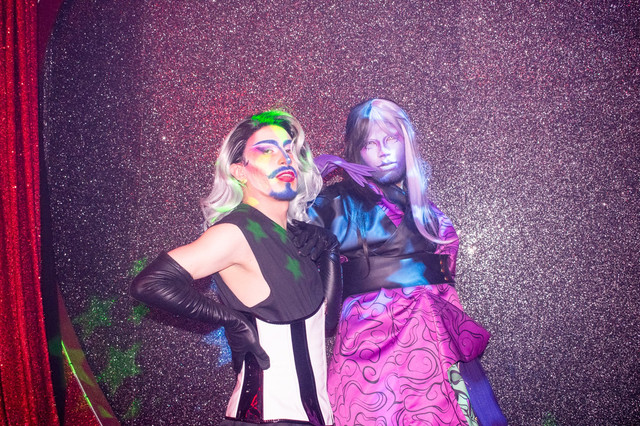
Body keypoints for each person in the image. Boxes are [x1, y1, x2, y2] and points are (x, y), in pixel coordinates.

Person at [130, 110, 340, 426]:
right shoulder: (235, 232)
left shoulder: (298, 239)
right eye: (267, 150)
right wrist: (231, 321)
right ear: (240, 171)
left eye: (289, 150)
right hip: (263, 419)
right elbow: (149, 283)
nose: (284, 158)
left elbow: (327, 323)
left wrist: (330, 250)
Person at [305, 99, 507, 425]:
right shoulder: (335, 203)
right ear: (356, 151)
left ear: (406, 141)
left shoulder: (428, 213)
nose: (383, 151)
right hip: (371, 353)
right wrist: (304, 187)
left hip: (435, 345)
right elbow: (284, 246)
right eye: (370, 144)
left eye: (390, 139)